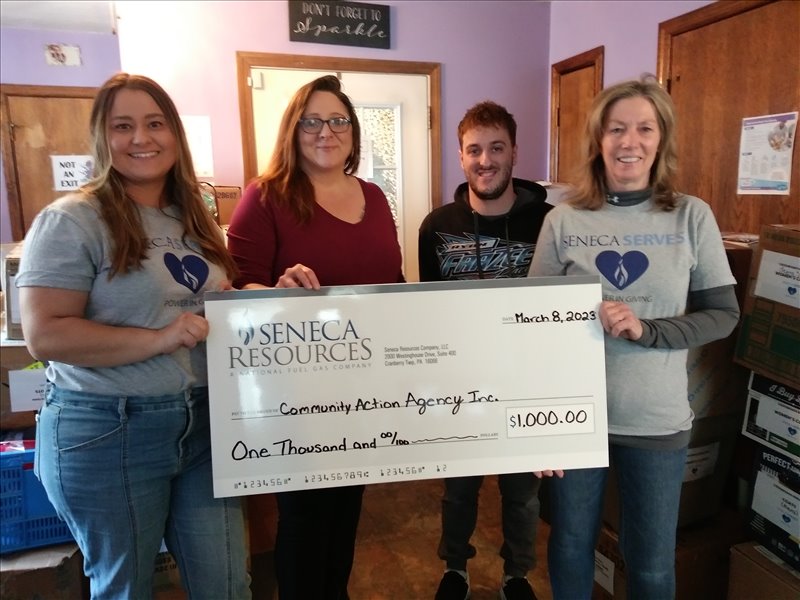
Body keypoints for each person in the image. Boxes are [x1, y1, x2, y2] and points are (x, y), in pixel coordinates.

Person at [16, 73, 250, 599]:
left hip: (203, 426)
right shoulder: (73, 219)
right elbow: (45, 334)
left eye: (154, 123)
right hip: (108, 429)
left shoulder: (193, 215)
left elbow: (206, 301)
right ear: (103, 137)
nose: (141, 138)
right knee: (126, 589)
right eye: (123, 126)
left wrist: (265, 298)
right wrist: (159, 338)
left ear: (174, 134)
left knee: (229, 585)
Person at [529, 75, 740, 599]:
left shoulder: (692, 216)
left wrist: (647, 330)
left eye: (645, 128)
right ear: (598, 140)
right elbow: (527, 326)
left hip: (656, 420)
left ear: (661, 139)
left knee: (649, 565)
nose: (629, 142)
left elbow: (723, 314)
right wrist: (531, 424)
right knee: (571, 544)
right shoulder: (562, 219)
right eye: (616, 128)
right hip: (575, 418)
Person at [226, 74, 404, 599]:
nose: (326, 131)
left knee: (347, 508)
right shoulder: (266, 196)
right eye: (312, 120)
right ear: (292, 129)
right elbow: (236, 286)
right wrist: (277, 290)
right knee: (304, 519)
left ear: (352, 131)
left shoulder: (373, 195)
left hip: (365, 385)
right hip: (295, 393)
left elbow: (391, 283)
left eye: (338, 120)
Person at [418, 100, 553, 600]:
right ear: (460, 156)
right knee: (458, 491)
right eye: (474, 149)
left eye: (496, 147)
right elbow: (429, 312)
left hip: (525, 384)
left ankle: (516, 576)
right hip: (459, 385)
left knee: (522, 495)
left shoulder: (551, 223)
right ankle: (456, 568)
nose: (485, 160)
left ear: (514, 151)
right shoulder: (436, 225)